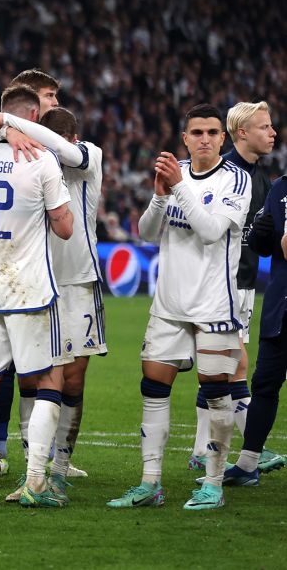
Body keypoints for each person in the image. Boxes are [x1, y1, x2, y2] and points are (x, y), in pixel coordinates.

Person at [107, 104, 251, 511]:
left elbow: (209, 231)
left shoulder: (236, 180)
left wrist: (179, 188)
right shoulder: (175, 176)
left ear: (223, 138)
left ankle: (213, 484)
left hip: (214, 306)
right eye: (196, 132)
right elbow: (148, 234)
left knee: (217, 396)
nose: (204, 138)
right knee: (153, 390)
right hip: (168, 305)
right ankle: (150, 483)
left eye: (211, 132)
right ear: (184, 138)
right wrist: (158, 195)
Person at [0, 103, 106, 495]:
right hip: (35, 282)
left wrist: (9, 124)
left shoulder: (86, 153)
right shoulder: (24, 157)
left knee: (72, 377)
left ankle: (60, 464)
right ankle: (36, 469)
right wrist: (9, 133)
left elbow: (68, 152)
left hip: (76, 280)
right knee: (37, 376)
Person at [0, 85, 74, 508]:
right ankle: (36, 482)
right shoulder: (41, 160)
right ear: (29, 116)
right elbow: (65, 228)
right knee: (48, 380)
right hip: (29, 289)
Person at [188, 102, 276, 471]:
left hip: (244, 283)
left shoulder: (262, 178)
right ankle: (238, 451)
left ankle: (217, 450)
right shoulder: (222, 174)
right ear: (242, 132)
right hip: (218, 284)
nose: (273, 133)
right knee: (226, 365)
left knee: (227, 366)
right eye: (265, 127)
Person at [220, 175, 287, 484]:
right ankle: (248, 465)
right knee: (264, 384)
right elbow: (265, 246)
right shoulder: (280, 188)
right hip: (280, 307)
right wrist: (261, 236)